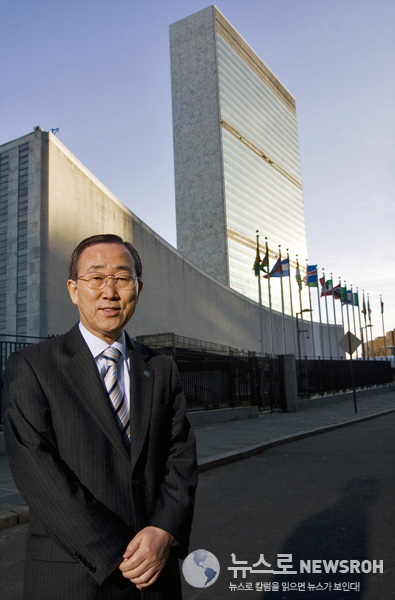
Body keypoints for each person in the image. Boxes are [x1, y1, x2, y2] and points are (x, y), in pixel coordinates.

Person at [3, 234, 198, 600]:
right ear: (74, 289)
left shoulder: (160, 368)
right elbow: (38, 471)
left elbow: (181, 457)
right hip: (74, 577)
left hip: (155, 574)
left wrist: (164, 530)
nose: (110, 291)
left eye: (122, 279)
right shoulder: (33, 366)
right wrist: (119, 555)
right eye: (96, 278)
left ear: (137, 288)